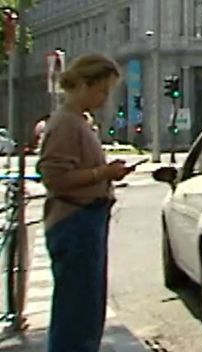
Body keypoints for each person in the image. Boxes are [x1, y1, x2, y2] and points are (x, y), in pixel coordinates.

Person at [36, 54, 134, 352]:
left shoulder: (79, 121)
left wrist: (105, 175)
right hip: (75, 219)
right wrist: (103, 173)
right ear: (82, 84)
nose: (104, 98)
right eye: (102, 90)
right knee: (77, 310)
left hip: (85, 219)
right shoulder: (65, 123)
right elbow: (54, 176)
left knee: (87, 307)